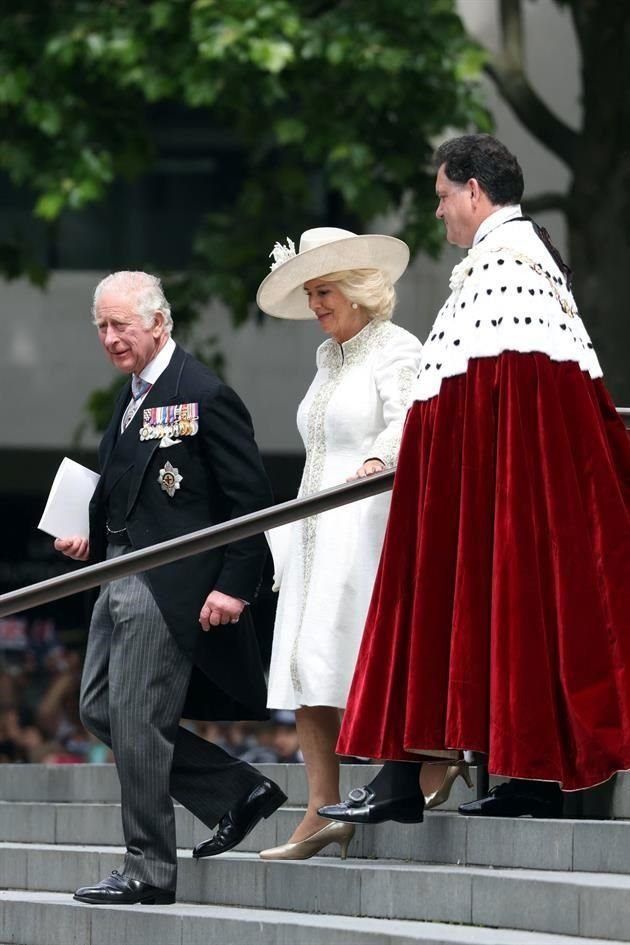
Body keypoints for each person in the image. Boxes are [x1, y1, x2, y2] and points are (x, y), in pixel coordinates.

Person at [319, 134, 630, 827]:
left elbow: (494, 393)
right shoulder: (524, 259)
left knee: (433, 609)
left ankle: (411, 779)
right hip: (501, 490)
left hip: (484, 490)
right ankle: (527, 778)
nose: (438, 212)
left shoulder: (504, 264)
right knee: (501, 621)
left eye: (442, 197)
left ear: (474, 192)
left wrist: (449, 484)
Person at [54, 271, 286, 906]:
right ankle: (237, 791)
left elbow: (250, 501)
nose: (110, 337)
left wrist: (235, 584)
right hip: (116, 572)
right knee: (100, 709)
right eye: (101, 326)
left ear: (158, 323)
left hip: (169, 583)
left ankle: (149, 870)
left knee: (135, 719)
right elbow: (127, 493)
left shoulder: (204, 392)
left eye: (120, 325)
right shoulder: (130, 396)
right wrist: (87, 536)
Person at [255, 228, 423, 860]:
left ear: (355, 289)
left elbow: (410, 418)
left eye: (323, 291)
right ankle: (320, 808)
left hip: (366, 521)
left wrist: (378, 459)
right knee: (307, 660)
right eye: (310, 293)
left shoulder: (397, 346)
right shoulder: (328, 357)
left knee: (356, 650)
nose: (315, 304)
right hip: (315, 525)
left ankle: (410, 774)